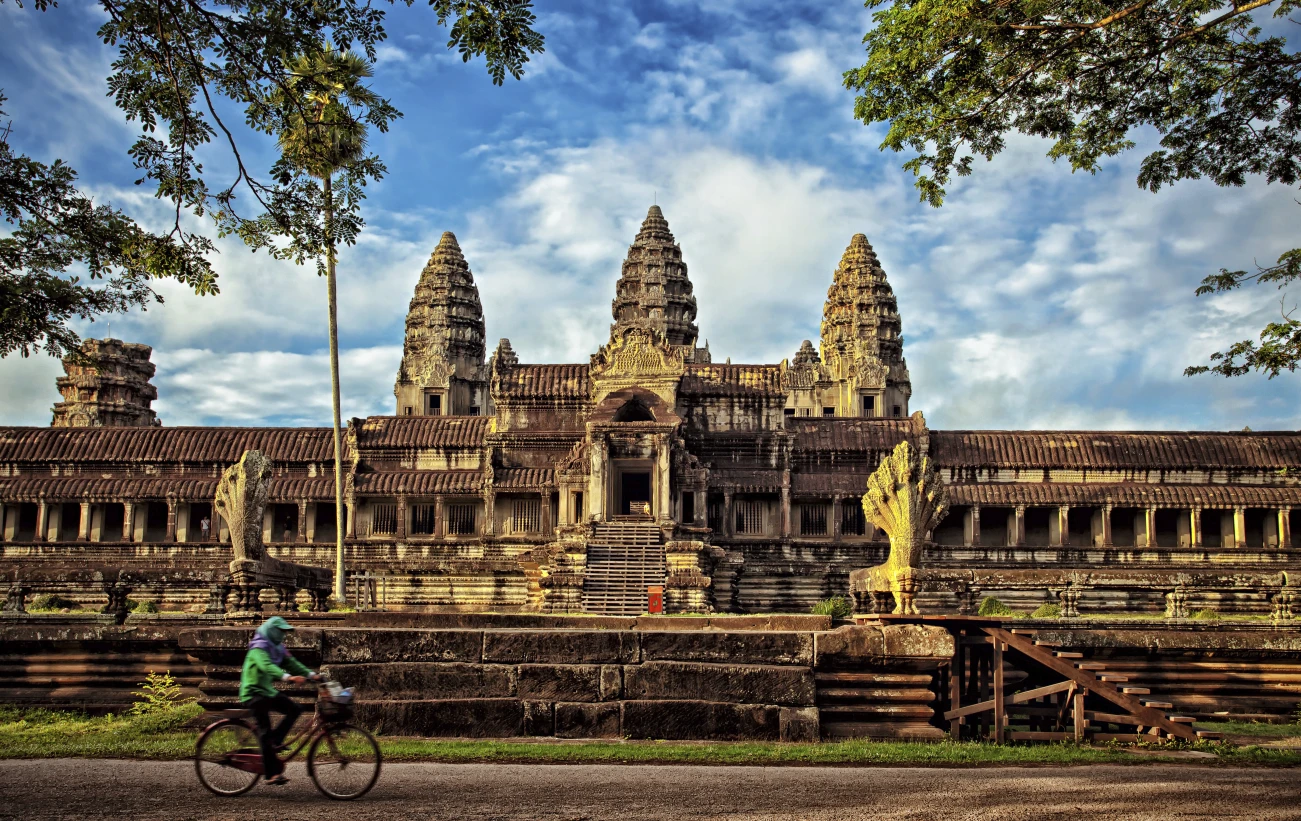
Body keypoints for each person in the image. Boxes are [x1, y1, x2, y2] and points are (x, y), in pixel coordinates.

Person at [239, 616, 318, 786]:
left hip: (266, 691)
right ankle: (271, 774)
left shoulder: (278, 648)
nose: (282, 634)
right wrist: (287, 677)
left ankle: (276, 740)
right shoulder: (258, 647)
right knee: (265, 732)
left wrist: (312, 675)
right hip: (253, 693)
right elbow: (266, 666)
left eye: (284, 632)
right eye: (280, 631)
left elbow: (292, 663)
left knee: (295, 709)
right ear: (271, 630)